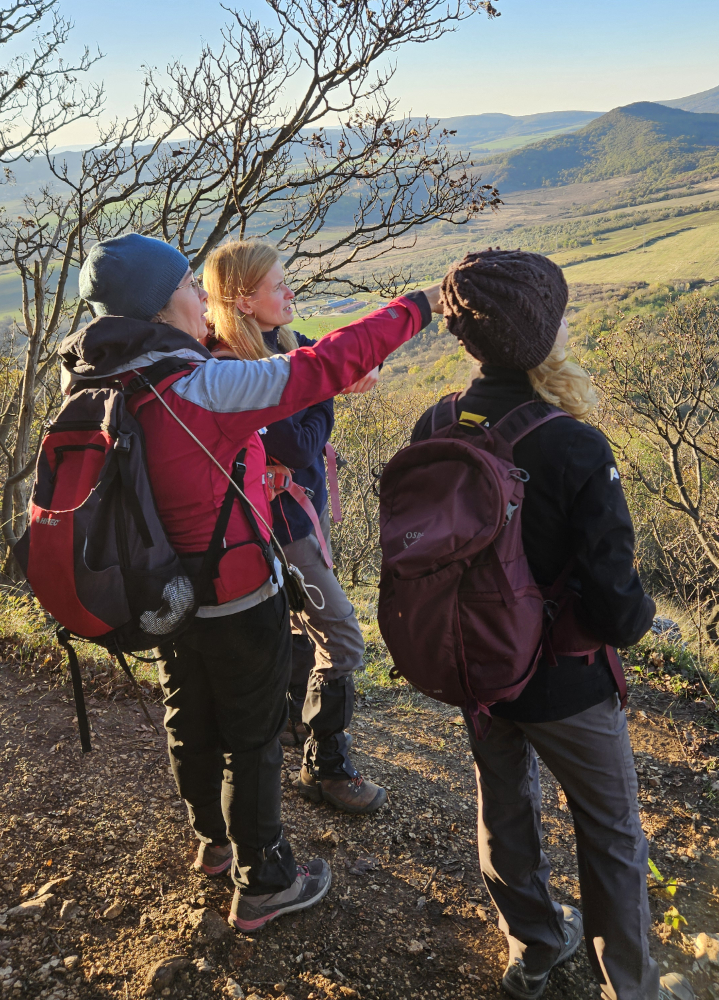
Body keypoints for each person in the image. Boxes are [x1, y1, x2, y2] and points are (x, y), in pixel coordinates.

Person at [68, 233, 440, 932]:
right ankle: (265, 878)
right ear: (160, 304)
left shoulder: (104, 375)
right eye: (187, 285)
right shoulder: (200, 386)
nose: (199, 296)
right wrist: (420, 305)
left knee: (192, 718)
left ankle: (213, 844)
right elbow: (322, 366)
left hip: (163, 593)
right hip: (235, 591)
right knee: (252, 734)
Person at [410, 250, 694, 1000]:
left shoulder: (434, 421)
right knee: (610, 835)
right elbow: (615, 604)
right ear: (538, 332)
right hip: (565, 683)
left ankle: (534, 946)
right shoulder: (572, 444)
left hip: (474, 667)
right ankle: (626, 986)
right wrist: (638, 619)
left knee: (503, 805)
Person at [202, 241, 385, 815]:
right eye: (278, 286)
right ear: (242, 301)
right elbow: (295, 441)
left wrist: (345, 372)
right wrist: (326, 391)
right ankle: (325, 768)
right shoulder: (232, 366)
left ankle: (292, 725)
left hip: (291, 515)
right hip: (278, 525)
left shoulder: (281, 343)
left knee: (297, 628)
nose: (290, 293)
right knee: (343, 638)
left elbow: (324, 361)